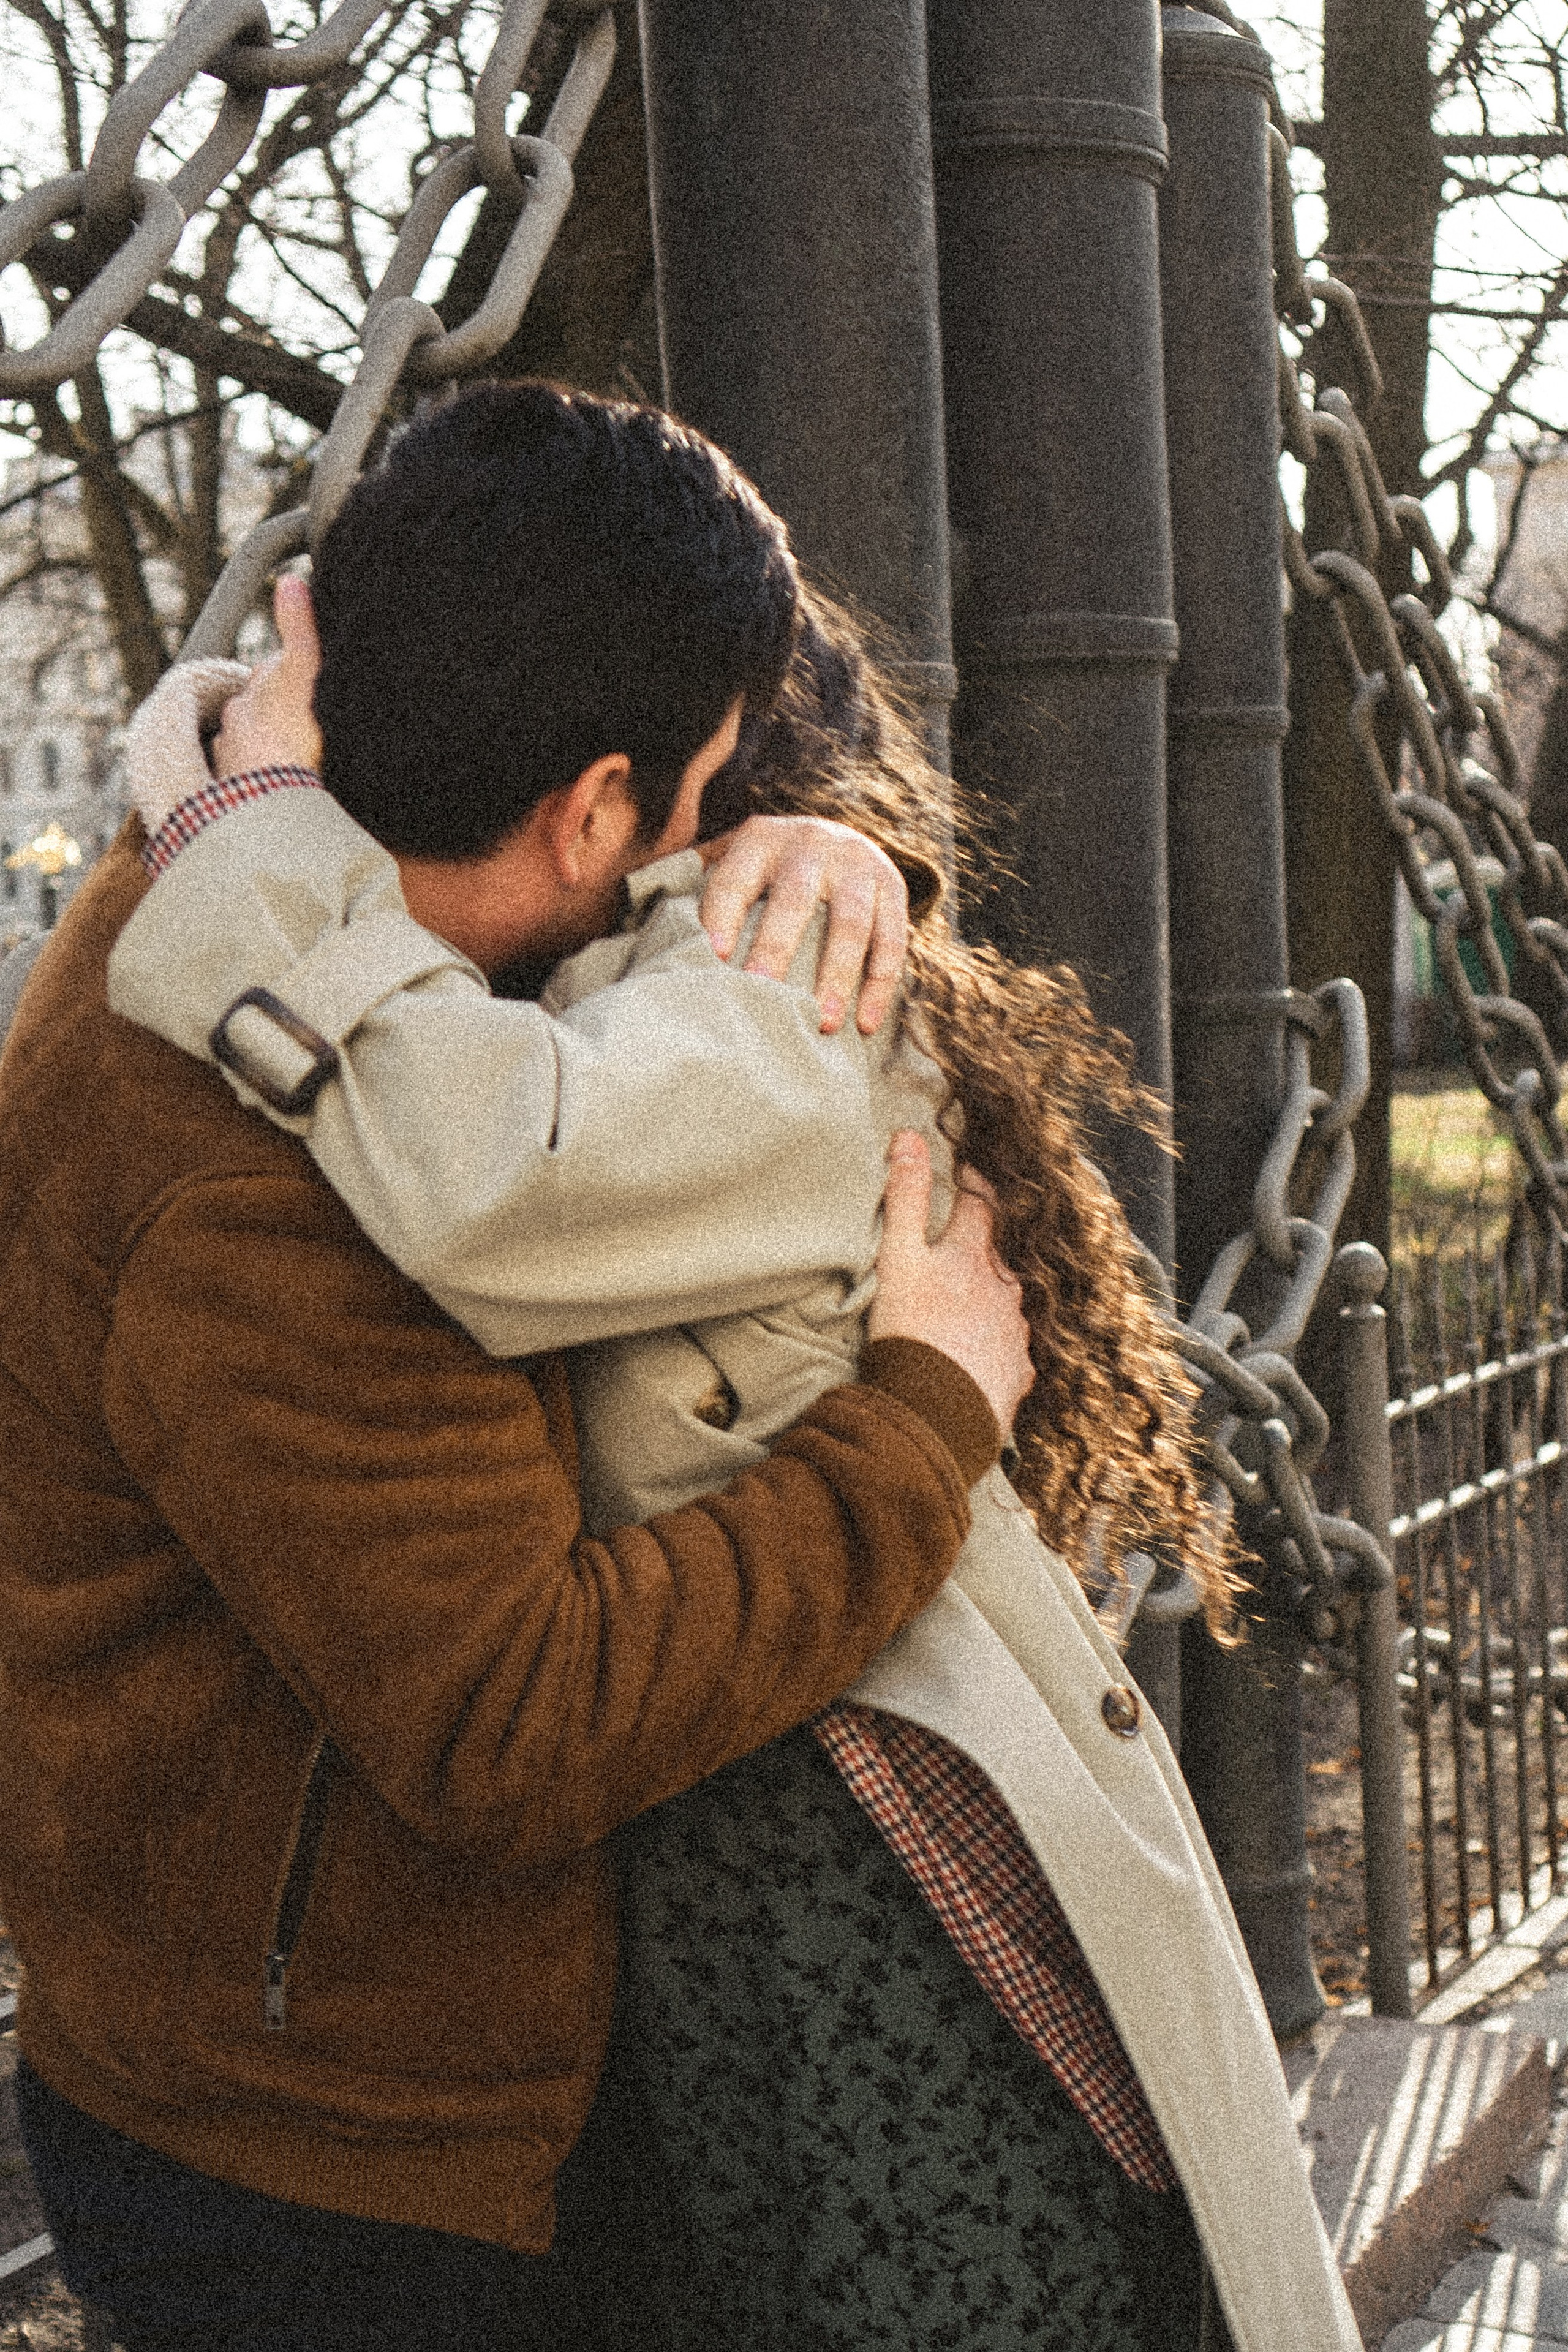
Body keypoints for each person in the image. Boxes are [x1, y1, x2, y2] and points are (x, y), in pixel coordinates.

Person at [106, 394, 1363, 2351]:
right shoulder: (598, 947)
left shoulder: (769, 1006)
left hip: (855, 1819)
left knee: (945, 2278)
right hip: (710, 1797)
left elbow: (484, 1170)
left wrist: (224, 809)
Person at [0, 383, 1037, 2352]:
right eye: (713, 784)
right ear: (590, 805)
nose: (726, 825)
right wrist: (926, 1419)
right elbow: (514, 1717)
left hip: (318, 2072)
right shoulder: (267, 1164)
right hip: (333, 2174)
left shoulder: (261, 909)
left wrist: (810, 851)